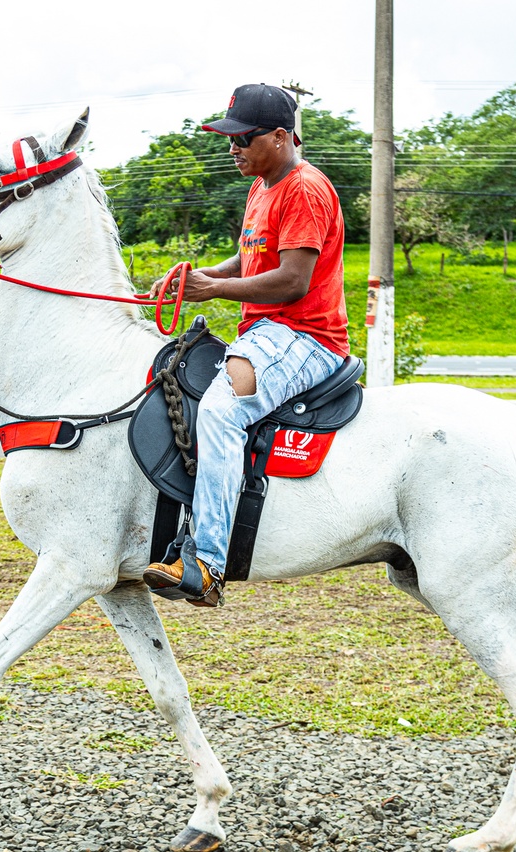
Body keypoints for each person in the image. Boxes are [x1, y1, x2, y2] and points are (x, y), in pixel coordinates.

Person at [142, 84, 349, 608]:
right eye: (228, 139)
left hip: (304, 335)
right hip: (265, 332)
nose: (231, 148)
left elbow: (293, 280)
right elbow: (249, 259)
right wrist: (197, 278)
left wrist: (213, 291)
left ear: (279, 137)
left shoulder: (304, 189)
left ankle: (207, 563)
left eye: (242, 139)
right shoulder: (262, 185)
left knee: (220, 411)